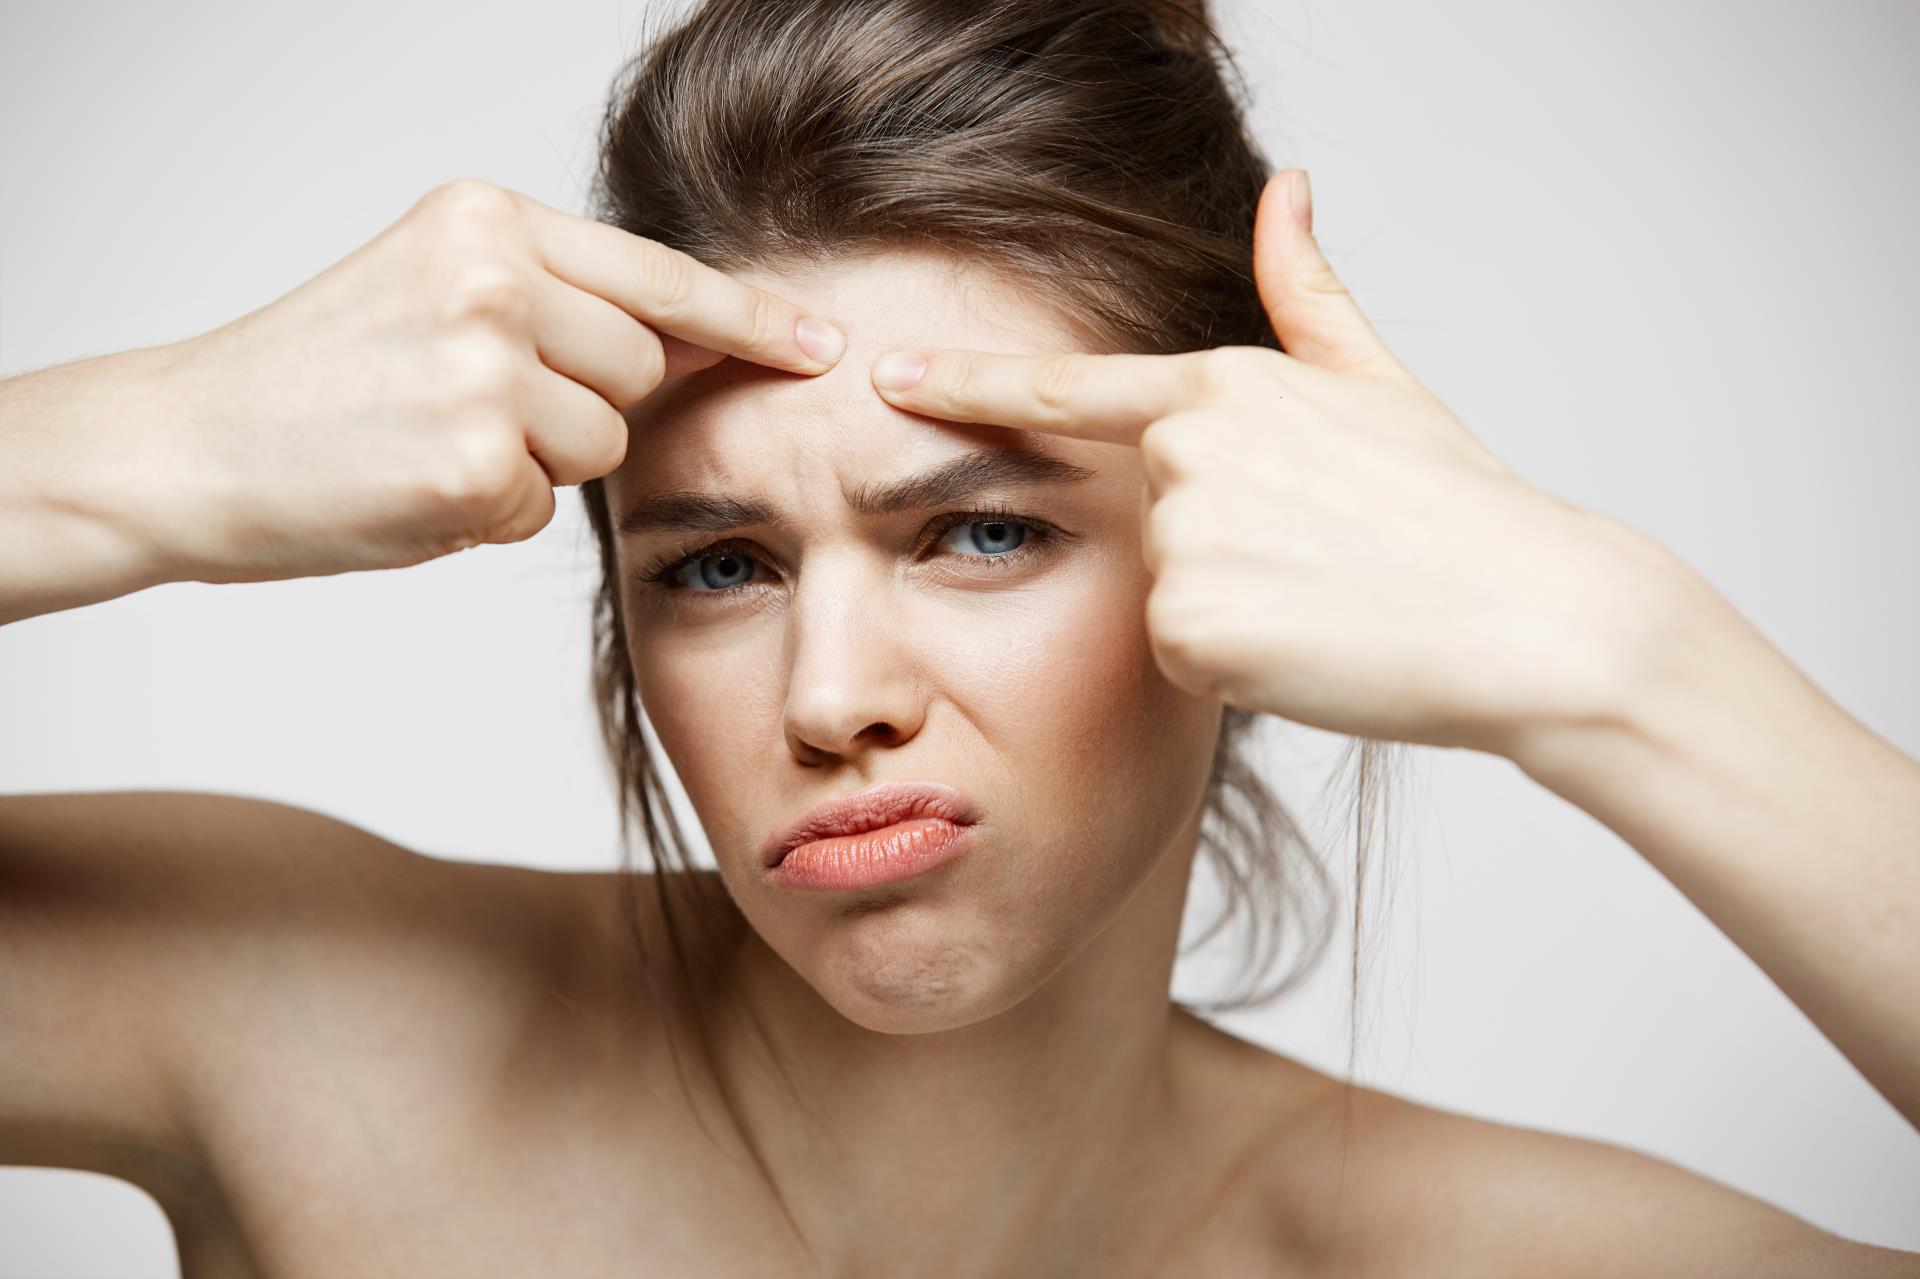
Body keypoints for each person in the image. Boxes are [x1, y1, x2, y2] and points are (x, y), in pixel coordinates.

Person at [2, 0, 1915, 1273]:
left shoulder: (1503, 1256)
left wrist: (1617, 652)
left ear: (1246, 561)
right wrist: (119, 451)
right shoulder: (302, 1033)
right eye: (719, 567)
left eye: (983, 532)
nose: (832, 701)